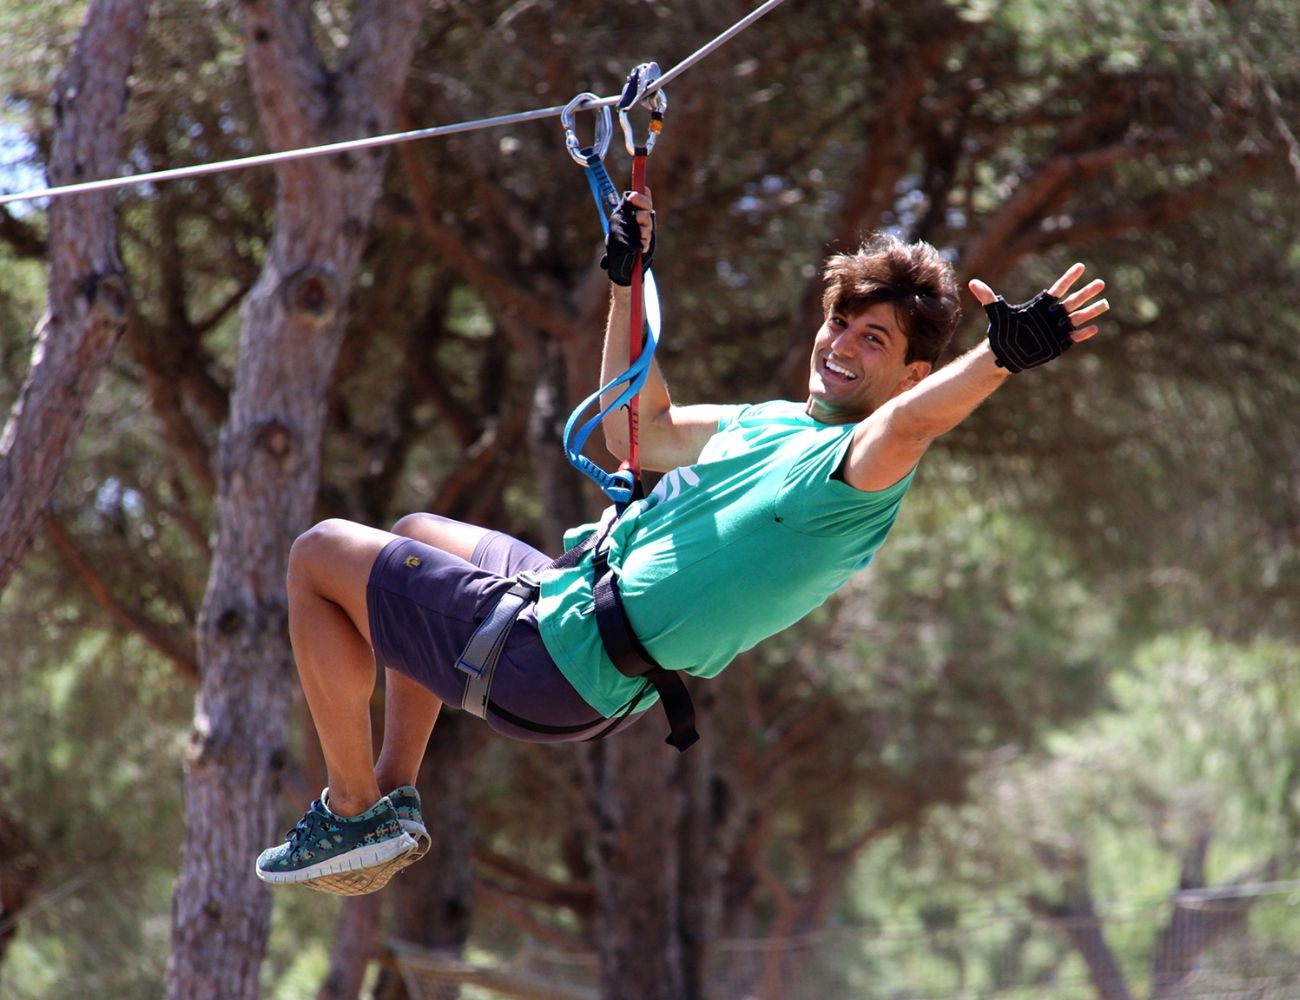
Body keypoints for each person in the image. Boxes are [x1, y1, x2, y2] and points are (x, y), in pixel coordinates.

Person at [255, 191, 1109, 895]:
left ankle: (350, 806)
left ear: (911, 374)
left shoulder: (857, 471)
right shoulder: (773, 423)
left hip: (558, 661)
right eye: (840, 323)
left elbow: (914, 425)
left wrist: (999, 358)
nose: (842, 345)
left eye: (873, 340)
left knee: (318, 556)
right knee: (415, 535)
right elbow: (637, 426)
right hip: (565, 602)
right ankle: (394, 796)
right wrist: (628, 282)